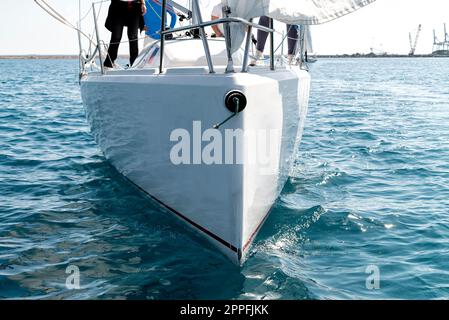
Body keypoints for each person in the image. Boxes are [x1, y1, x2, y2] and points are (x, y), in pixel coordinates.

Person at [104, 0, 147, 69]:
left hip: (134, 6)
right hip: (118, 6)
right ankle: (108, 63)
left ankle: (134, 64)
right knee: (116, 36)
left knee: (133, 37)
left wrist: (143, 3)